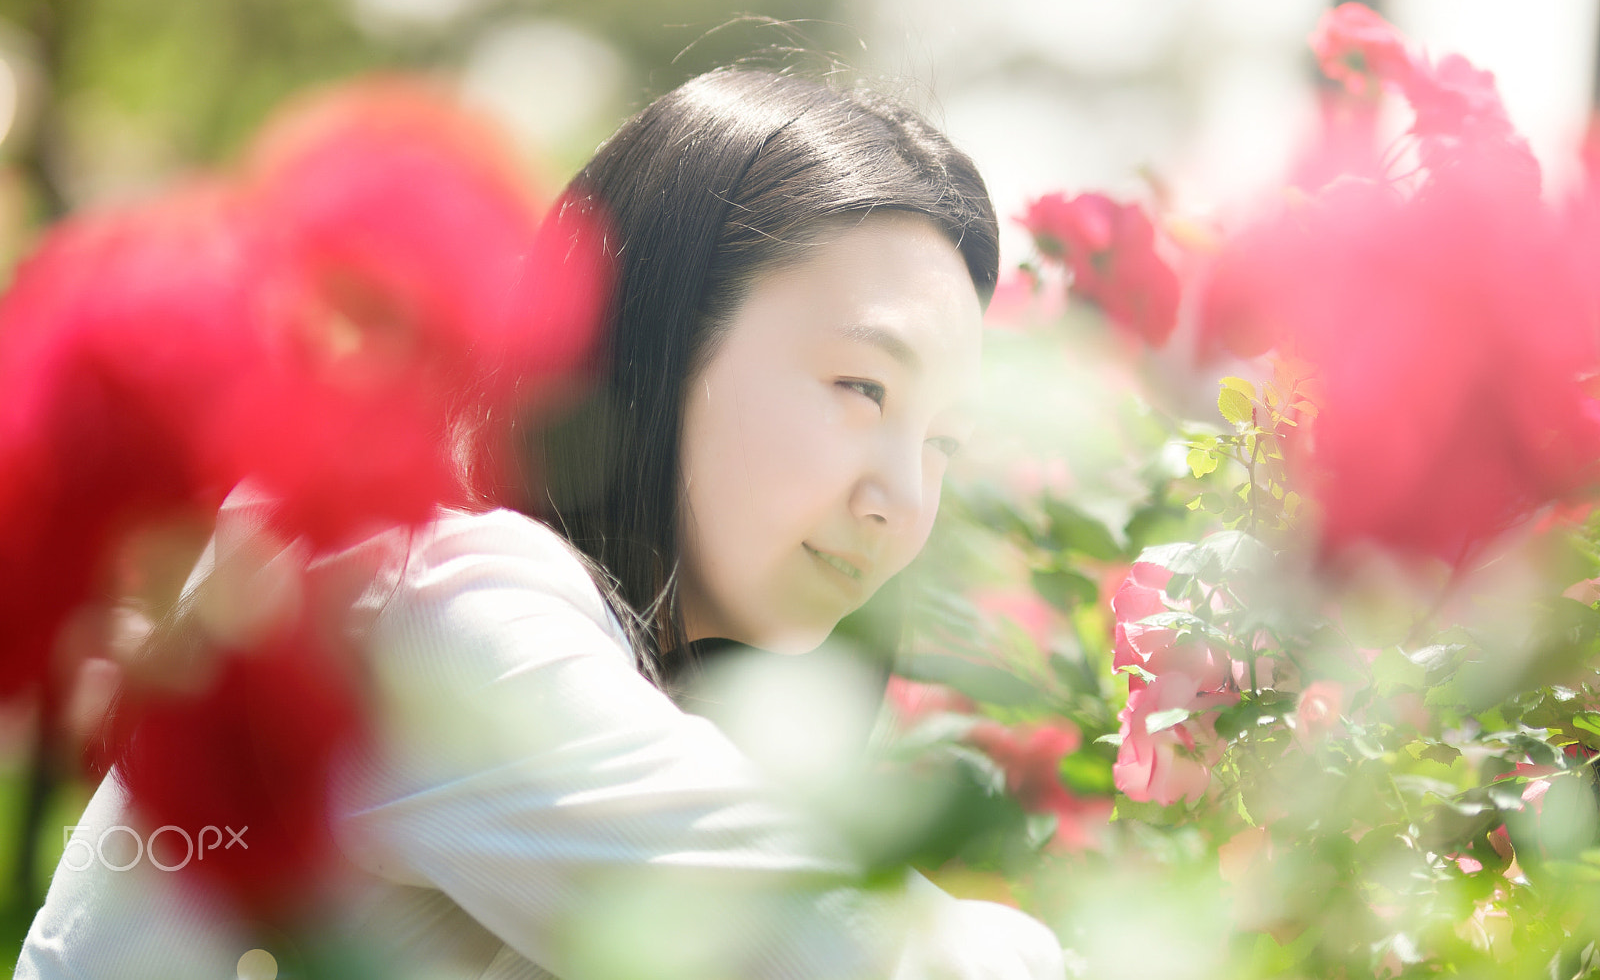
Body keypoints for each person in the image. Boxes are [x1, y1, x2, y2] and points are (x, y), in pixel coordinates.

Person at [14, 68, 1066, 979]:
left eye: (944, 440)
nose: (902, 497)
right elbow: (828, 947)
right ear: (658, 335)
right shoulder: (442, 603)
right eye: (864, 389)